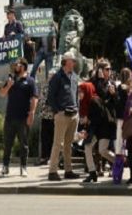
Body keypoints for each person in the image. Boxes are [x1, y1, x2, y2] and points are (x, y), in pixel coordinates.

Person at [0, 57, 38, 178]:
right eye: (14, 65)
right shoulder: (11, 79)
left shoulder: (30, 81)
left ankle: (23, 168)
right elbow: (2, 93)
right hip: (10, 117)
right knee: (7, 144)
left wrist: (32, 114)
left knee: (23, 145)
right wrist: (9, 85)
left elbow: (34, 98)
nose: (15, 66)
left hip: (23, 118)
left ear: (23, 66)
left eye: (17, 64)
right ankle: (5, 167)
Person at [47, 51, 80, 181]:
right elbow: (50, 97)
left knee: (68, 144)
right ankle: (52, 171)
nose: (74, 63)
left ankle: (68, 170)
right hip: (62, 114)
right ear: (66, 61)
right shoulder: (57, 77)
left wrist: (77, 110)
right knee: (57, 143)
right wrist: (57, 111)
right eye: (73, 60)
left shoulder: (75, 76)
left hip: (73, 114)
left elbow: (76, 95)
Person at [83, 74, 116, 183]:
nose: (79, 94)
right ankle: (92, 172)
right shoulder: (89, 102)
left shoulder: (94, 101)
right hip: (99, 130)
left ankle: (119, 161)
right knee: (88, 147)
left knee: (102, 150)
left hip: (104, 130)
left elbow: (96, 120)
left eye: (81, 91)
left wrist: (88, 130)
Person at [37, 71, 56, 165]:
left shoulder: (57, 87)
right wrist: (45, 102)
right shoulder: (44, 86)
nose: (50, 78)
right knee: (44, 138)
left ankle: (51, 157)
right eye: (49, 76)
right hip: (45, 115)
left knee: (53, 138)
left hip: (54, 116)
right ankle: (44, 157)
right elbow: (41, 99)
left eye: (52, 76)